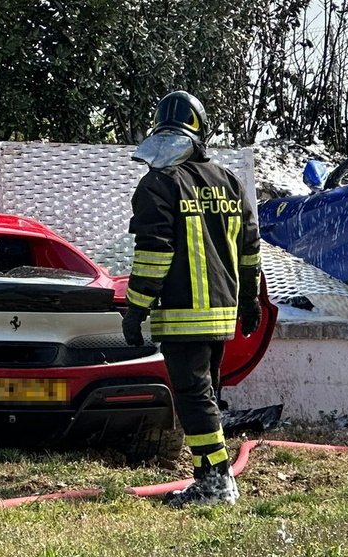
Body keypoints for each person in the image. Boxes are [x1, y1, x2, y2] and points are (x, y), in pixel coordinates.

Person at [121, 90, 262, 508]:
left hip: (184, 314)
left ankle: (215, 483)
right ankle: (211, 477)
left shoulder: (159, 182)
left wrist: (136, 307)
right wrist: (249, 300)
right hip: (222, 314)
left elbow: (154, 253)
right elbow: (250, 248)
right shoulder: (229, 181)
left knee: (194, 397)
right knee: (206, 395)